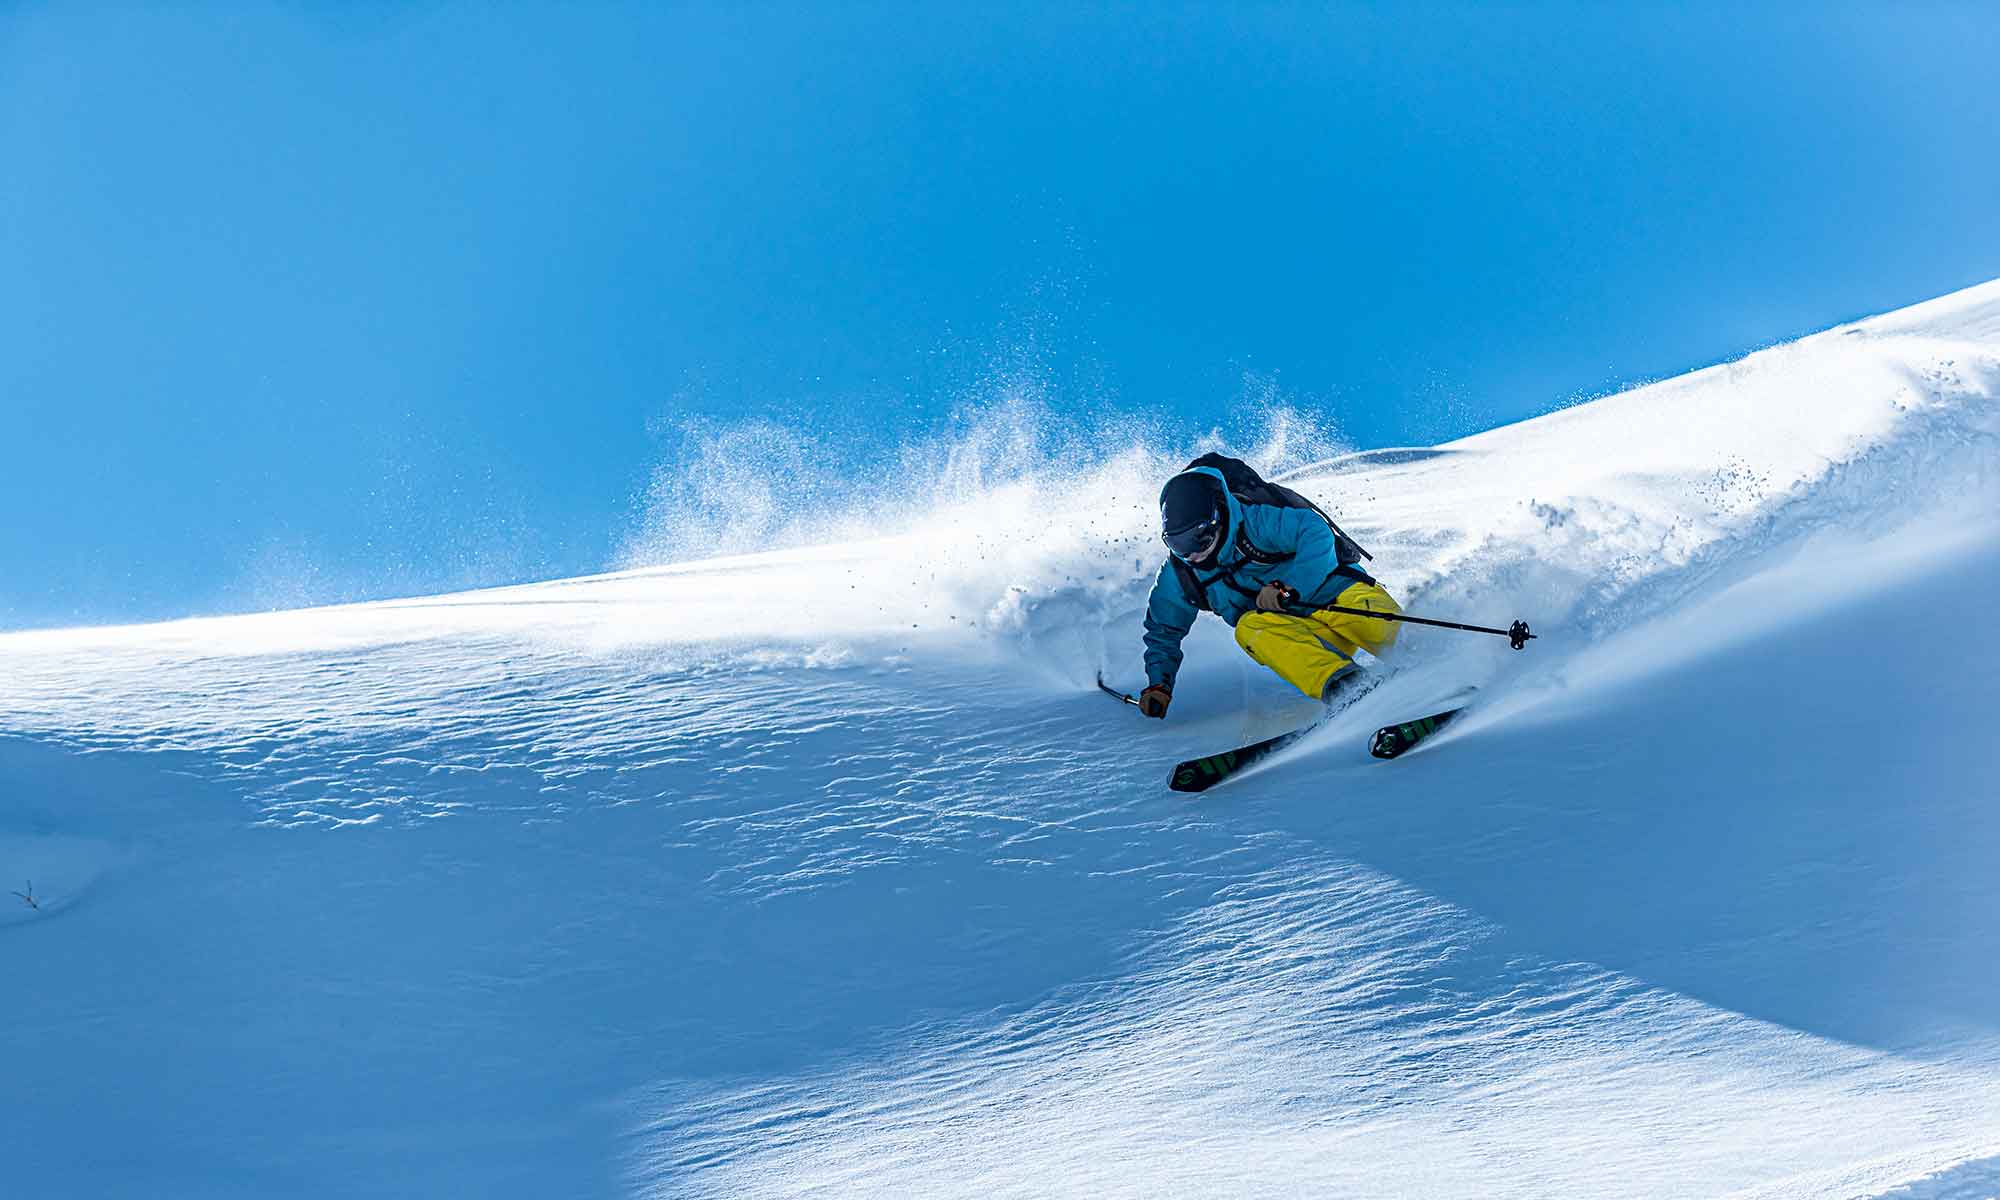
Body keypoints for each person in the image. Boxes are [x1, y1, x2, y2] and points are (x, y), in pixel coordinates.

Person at [1138, 461, 1401, 719]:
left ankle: (1428, 661)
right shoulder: (1180, 573)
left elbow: (1315, 532)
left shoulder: (1254, 522)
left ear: (1216, 519)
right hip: (1305, 636)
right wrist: (1160, 684)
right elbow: (1163, 630)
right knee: (1249, 628)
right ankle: (1344, 685)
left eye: (1198, 539)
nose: (1192, 553)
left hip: (1339, 597)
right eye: (1178, 544)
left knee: (1394, 638)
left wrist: (1289, 587)